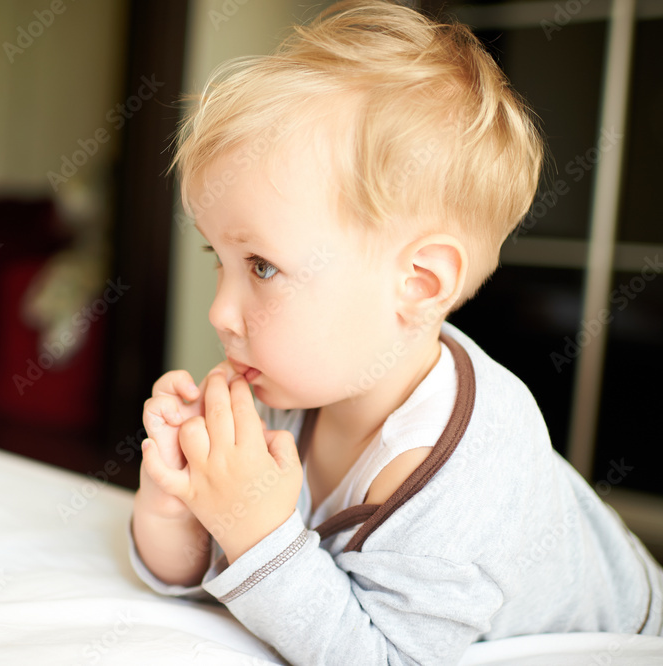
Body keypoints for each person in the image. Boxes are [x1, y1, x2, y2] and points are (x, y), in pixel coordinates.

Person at [126, 1, 663, 663]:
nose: (218, 312)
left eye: (262, 266)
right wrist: (179, 501)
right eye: (222, 261)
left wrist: (257, 529)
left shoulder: (466, 475)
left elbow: (382, 655)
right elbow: (199, 574)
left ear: (419, 283)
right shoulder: (284, 386)